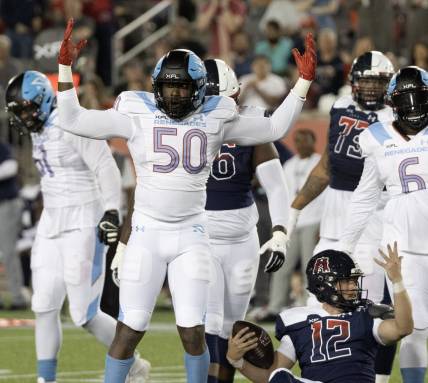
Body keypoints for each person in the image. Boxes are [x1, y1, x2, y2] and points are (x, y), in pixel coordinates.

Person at [55, 19, 316, 383]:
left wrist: (302, 84)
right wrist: (64, 69)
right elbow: (71, 117)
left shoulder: (217, 115)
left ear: (199, 90)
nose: (175, 95)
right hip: (147, 234)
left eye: (182, 88)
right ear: (156, 87)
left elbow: (273, 129)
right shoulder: (135, 113)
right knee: (129, 330)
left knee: (194, 331)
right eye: (169, 87)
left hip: (192, 235)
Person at [4, 70, 150, 383]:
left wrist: (112, 210)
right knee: (43, 305)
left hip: (84, 219)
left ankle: (134, 362)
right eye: (19, 113)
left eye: (27, 110)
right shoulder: (40, 128)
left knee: (83, 313)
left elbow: (105, 165)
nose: (24, 118)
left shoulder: (72, 123)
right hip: (52, 222)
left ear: (44, 102)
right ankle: (46, 379)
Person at [286, 51, 397, 383]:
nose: (372, 89)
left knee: (371, 315)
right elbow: (326, 166)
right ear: (354, 81)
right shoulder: (340, 105)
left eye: (379, 82)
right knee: (315, 306)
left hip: (373, 219)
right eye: (366, 81)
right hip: (334, 220)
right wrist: (292, 212)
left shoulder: (397, 117)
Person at [339, 65, 428, 383]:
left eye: (419, 98)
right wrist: (344, 248)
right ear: (393, 102)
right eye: (406, 99)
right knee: (415, 328)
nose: (413, 106)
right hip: (403, 248)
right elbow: (364, 197)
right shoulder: (376, 137)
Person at [203, 58, 289, 383]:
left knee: (231, 327)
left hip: (241, 239)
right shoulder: (181, 125)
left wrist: (280, 231)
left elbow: (277, 185)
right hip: (200, 236)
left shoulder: (251, 126)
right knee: (208, 322)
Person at [226, 244, 414, 383]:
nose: (353, 287)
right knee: (280, 378)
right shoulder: (297, 321)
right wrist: (236, 360)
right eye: (346, 281)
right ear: (324, 285)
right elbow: (270, 376)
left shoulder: (366, 315)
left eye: (354, 281)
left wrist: (397, 281)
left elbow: (403, 328)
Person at [261, 129, 323, 321]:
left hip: (313, 221)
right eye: (297, 141)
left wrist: (323, 224)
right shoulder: (289, 165)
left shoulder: (320, 162)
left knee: (309, 267)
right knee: (282, 265)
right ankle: (275, 306)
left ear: (313, 141)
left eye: (305, 140)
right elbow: (283, 194)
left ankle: (308, 306)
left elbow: (327, 196)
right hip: (291, 224)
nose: (301, 144)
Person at [0, 140, 27, 310]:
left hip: (7, 203)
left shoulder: (1, 146)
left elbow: (11, 166)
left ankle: (18, 298)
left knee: (8, 251)